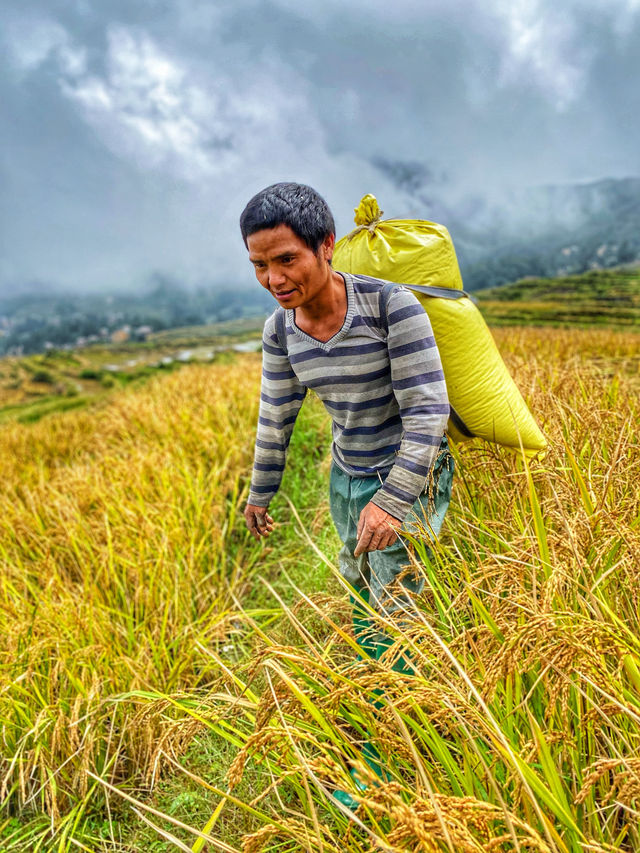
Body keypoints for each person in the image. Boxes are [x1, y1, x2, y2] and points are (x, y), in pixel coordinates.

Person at [241, 181, 453, 656]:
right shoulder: (280, 331)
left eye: (286, 259)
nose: (273, 279)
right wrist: (260, 493)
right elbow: (276, 417)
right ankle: (372, 679)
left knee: (397, 599)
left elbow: (427, 411)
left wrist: (394, 501)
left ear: (326, 246)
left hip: (409, 469)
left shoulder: (389, 307)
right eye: (259, 265)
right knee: (356, 576)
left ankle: (398, 712)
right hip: (348, 473)